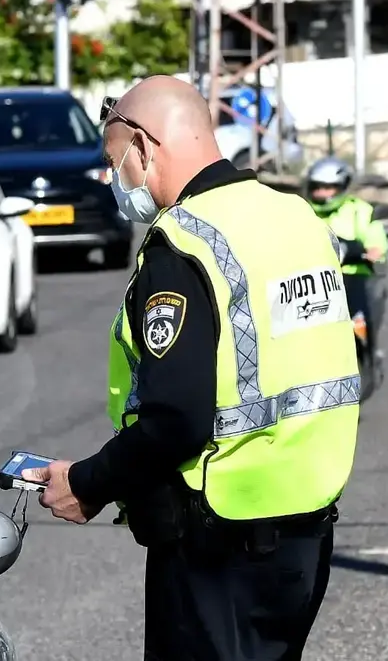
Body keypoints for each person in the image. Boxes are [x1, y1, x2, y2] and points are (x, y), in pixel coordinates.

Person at [22, 76, 360, 661]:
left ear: (145, 148)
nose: (114, 179)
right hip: (307, 532)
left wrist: (86, 484)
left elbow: (178, 418)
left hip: (219, 543)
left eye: (114, 161)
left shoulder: (183, 243)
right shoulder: (298, 218)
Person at [304, 156, 388, 356]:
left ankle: (366, 356)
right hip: (313, 280)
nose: (321, 193)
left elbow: (376, 244)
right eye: (317, 187)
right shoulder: (302, 210)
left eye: (328, 187)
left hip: (351, 278)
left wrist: (368, 252)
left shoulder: (359, 210)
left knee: (359, 322)